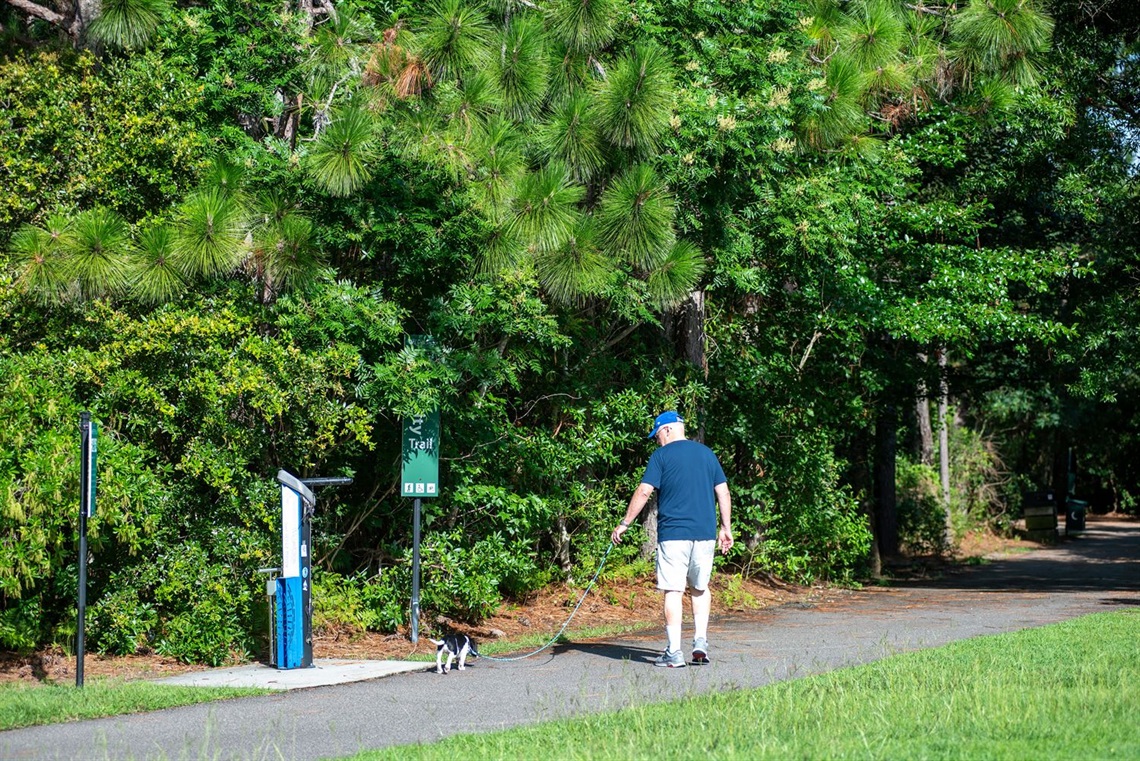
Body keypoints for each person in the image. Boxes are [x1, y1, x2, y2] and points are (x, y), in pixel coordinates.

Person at [611, 410, 733, 667]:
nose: (657, 441)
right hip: (705, 534)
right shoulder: (706, 454)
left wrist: (625, 523)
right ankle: (700, 642)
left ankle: (674, 652)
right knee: (700, 588)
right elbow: (722, 491)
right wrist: (726, 527)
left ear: (666, 430)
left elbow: (644, 491)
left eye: (657, 436)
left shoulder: (662, 455)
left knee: (674, 590)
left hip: (674, 535)